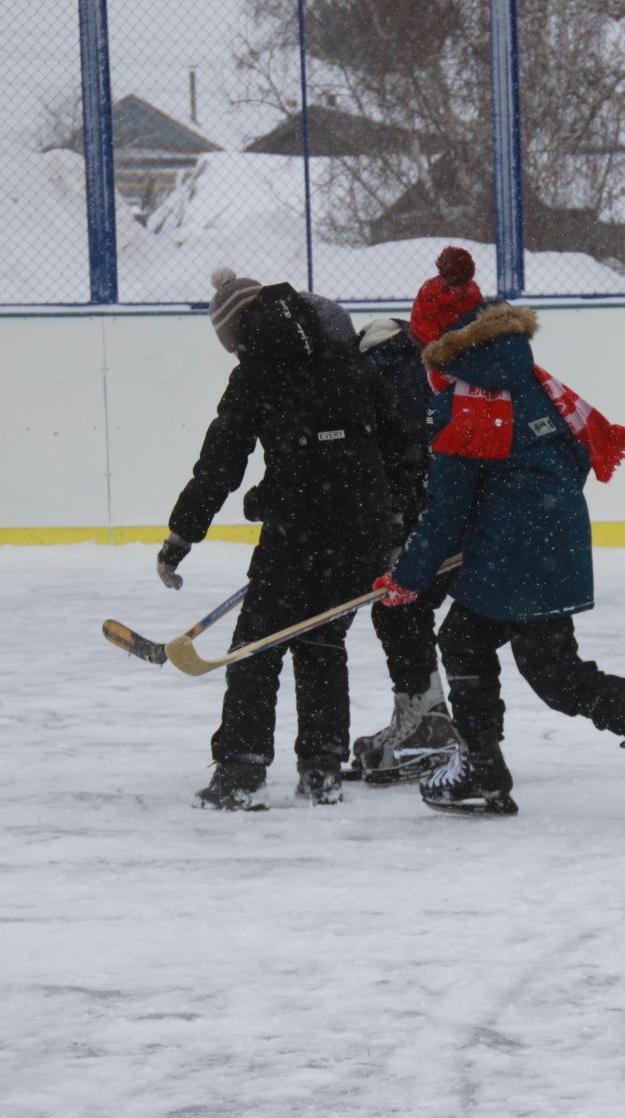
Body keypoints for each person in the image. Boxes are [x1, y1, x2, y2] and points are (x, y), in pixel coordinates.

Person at [373, 248, 625, 822]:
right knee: (471, 643)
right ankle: (482, 767)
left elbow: (445, 508)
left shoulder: (464, 401)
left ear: (438, 342)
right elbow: (574, 456)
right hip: (545, 541)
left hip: (516, 554)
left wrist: (408, 579)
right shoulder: (529, 376)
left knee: (554, 674)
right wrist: (519, 511)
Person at [156, 267, 411, 811]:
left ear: (238, 331)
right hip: (361, 527)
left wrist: (183, 534)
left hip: (300, 530)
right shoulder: (347, 359)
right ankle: (322, 772)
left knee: (256, 647)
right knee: (321, 640)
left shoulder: (256, 373)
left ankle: (241, 773)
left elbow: (219, 464)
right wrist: (397, 523)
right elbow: (394, 446)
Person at [344, 313, 464, 785]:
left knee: (401, 609)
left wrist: (394, 529)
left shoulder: (382, 369)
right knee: (403, 611)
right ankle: (428, 717)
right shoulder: (408, 360)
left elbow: (401, 456)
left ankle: (431, 725)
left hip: (435, 517)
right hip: (449, 513)